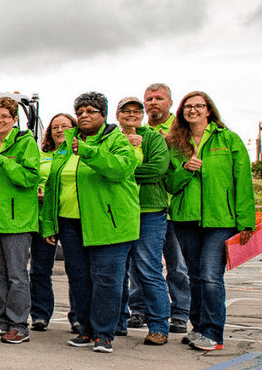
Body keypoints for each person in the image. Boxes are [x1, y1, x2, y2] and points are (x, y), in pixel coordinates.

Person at [41, 92, 140, 354]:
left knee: (106, 280)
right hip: (71, 223)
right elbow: (54, 184)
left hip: (110, 223)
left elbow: (120, 169)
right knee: (80, 279)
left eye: (91, 111)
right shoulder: (67, 145)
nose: (84, 115)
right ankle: (85, 330)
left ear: (103, 115)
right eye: (80, 111)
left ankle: (104, 334)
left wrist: (86, 150)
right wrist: (50, 223)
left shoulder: (116, 139)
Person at [163, 91, 254, 352]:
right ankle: (199, 328)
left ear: (208, 110)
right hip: (186, 218)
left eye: (199, 106)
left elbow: (242, 181)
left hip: (220, 218)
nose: (193, 110)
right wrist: (184, 170)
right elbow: (169, 183)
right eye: (188, 107)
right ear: (181, 112)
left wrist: (246, 221)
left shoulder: (229, 139)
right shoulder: (174, 143)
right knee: (194, 276)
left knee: (211, 275)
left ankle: (214, 334)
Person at [0, 97, 42, 344]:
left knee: (16, 276)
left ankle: (19, 325)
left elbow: (30, 178)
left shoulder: (25, 142)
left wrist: (1, 160)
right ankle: (2, 323)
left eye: (5, 116)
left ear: (14, 119)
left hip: (16, 223)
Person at [113, 96, 174, 346]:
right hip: (117, 211)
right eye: (125, 111)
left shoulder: (153, 137)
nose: (131, 114)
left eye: (136, 111)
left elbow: (157, 169)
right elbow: (102, 166)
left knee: (149, 270)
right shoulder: (112, 139)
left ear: (143, 114)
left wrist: (121, 170)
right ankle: (116, 323)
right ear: (117, 115)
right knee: (115, 271)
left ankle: (159, 326)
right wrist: (125, 149)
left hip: (149, 211)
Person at [141, 83, 191, 336]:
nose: (153, 102)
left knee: (176, 264)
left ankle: (180, 312)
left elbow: (184, 165)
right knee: (141, 263)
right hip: (145, 205)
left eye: (158, 98)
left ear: (170, 103)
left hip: (172, 205)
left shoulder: (180, 130)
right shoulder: (138, 129)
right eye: (148, 98)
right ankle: (138, 308)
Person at [31, 113, 74, 333]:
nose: (59, 130)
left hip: (70, 216)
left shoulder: (79, 154)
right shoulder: (41, 155)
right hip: (44, 216)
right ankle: (40, 314)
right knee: (40, 268)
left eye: (65, 126)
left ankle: (77, 316)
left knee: (75, 269)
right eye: (55, 127)